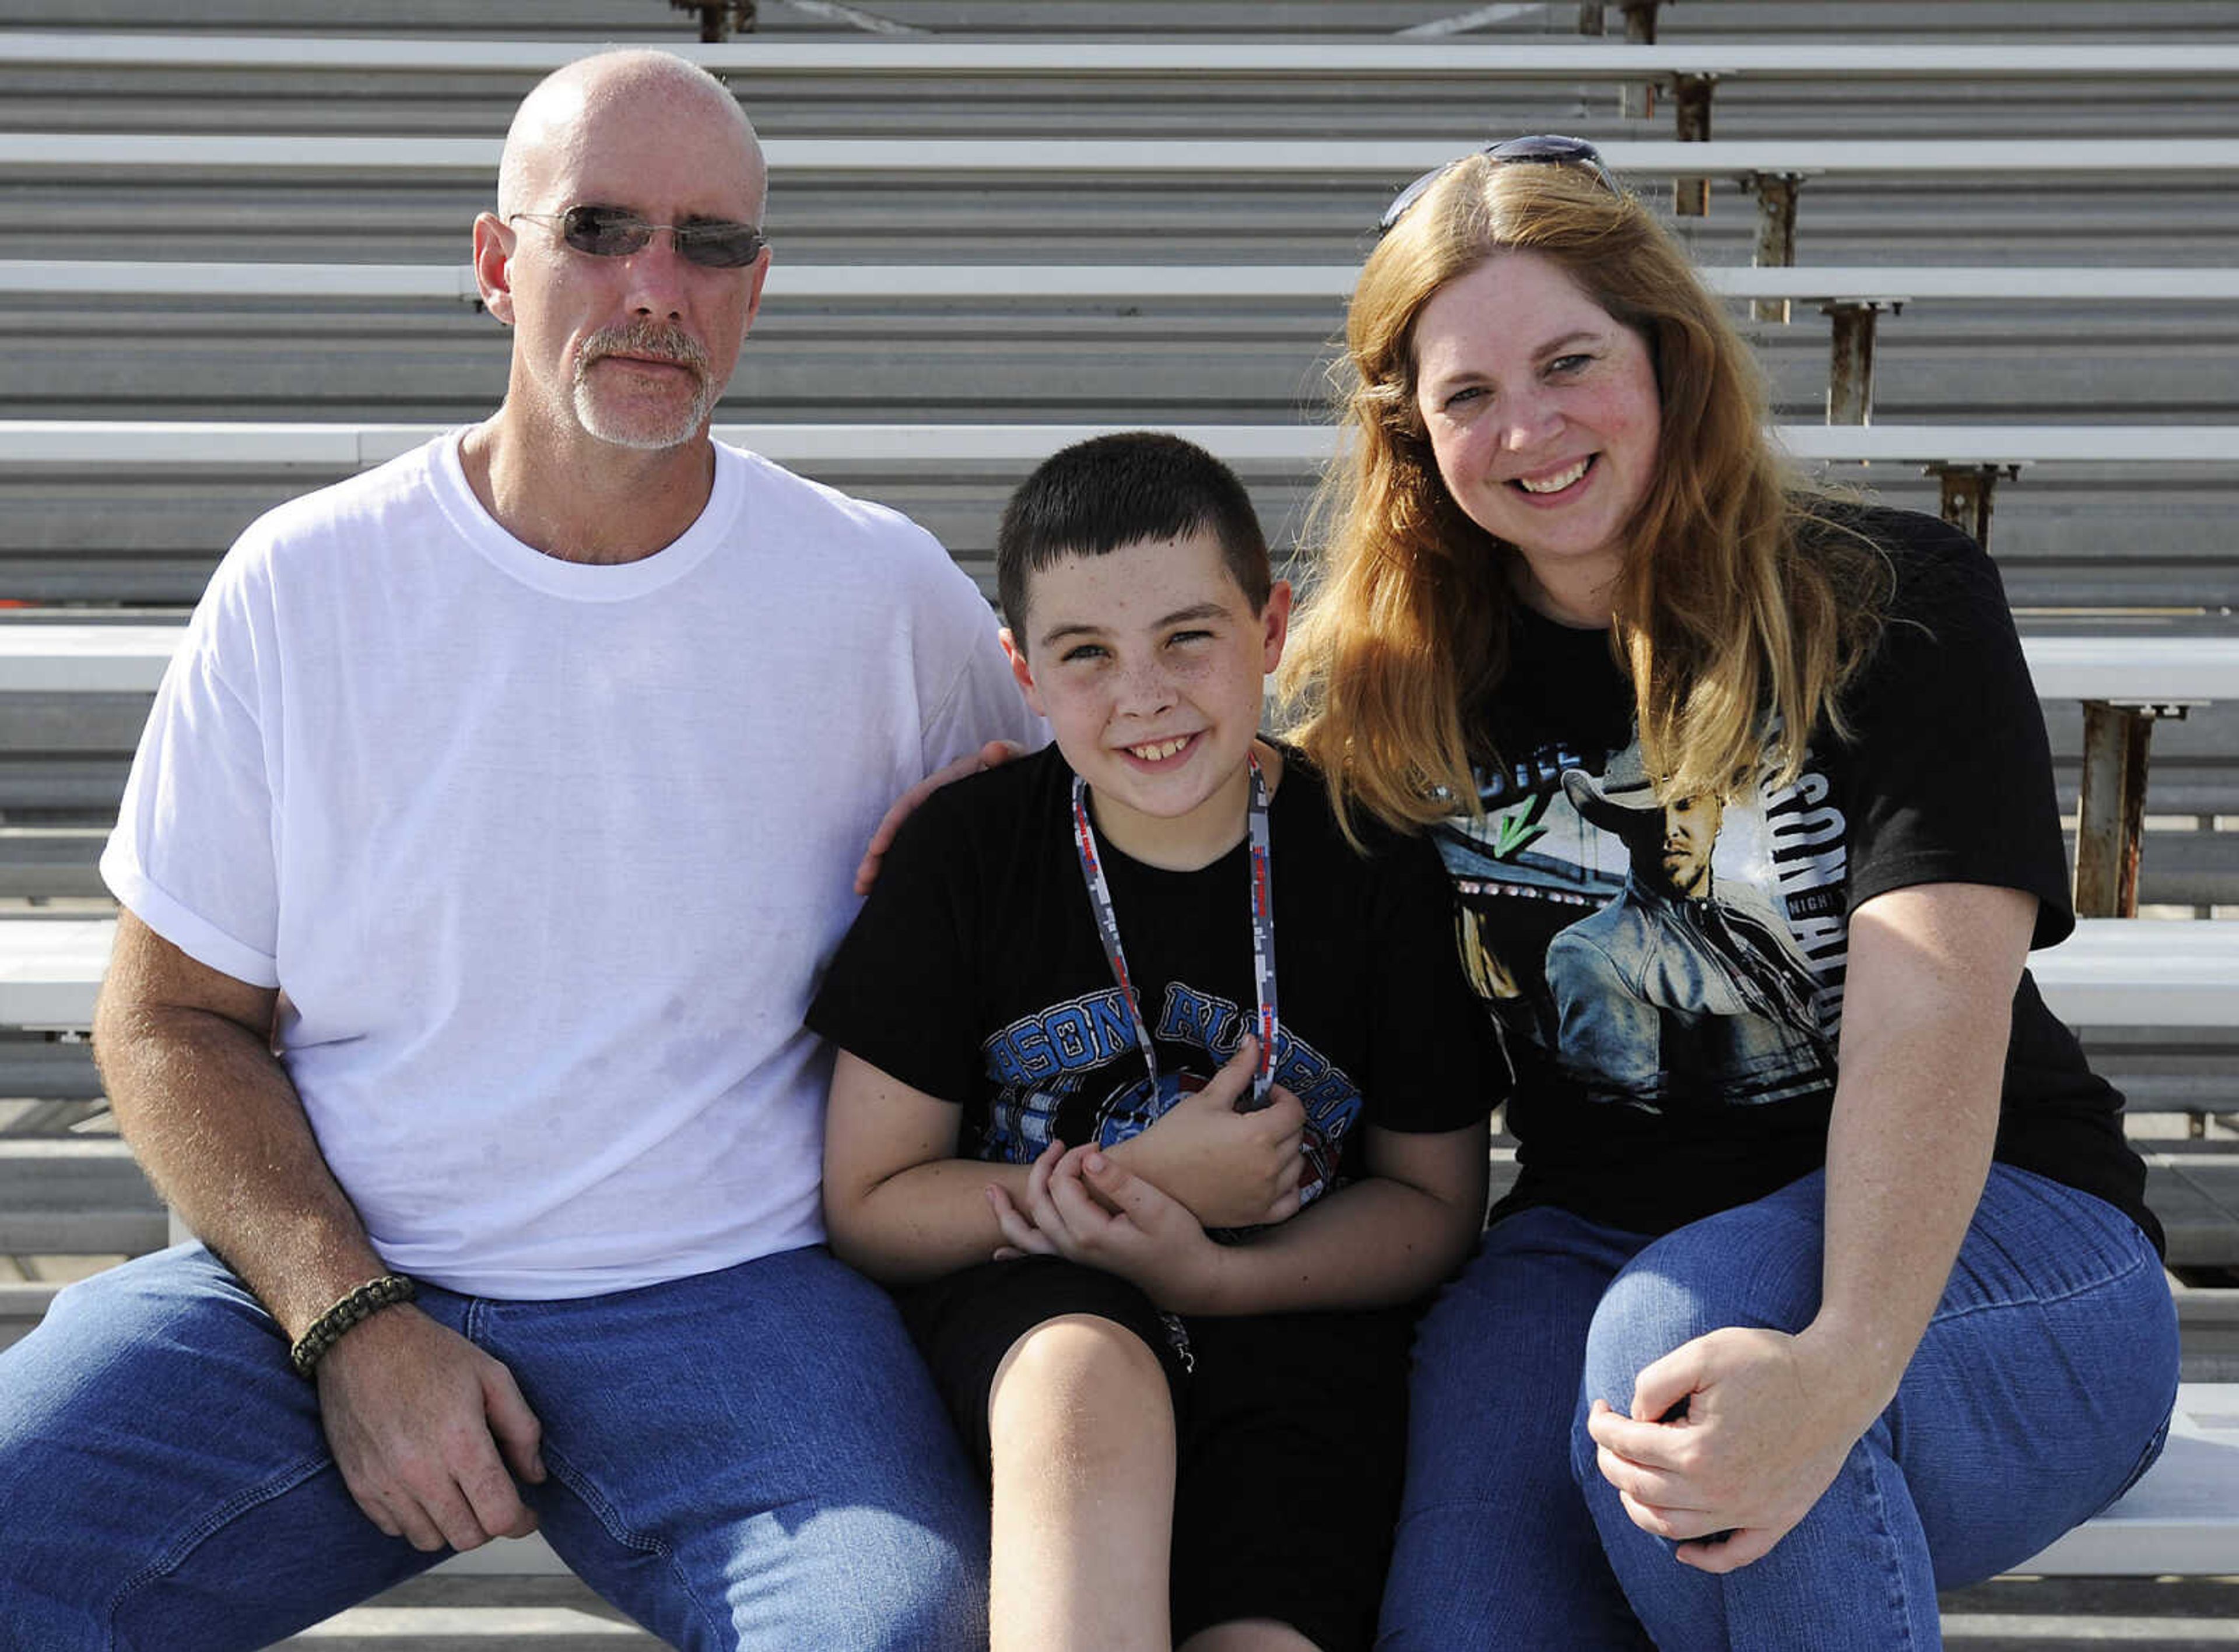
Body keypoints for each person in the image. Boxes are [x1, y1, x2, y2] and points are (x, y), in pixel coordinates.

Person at [0, 49, 1039, 1651]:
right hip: (340, 1269)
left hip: (736, 1298)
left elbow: (1123, 814)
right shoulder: (306, 582)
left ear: (758, 288)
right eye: (600, 228)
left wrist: (997, 825)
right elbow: (165, 1019)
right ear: (498, 263)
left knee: (896, 1627)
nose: (654, 285)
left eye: (710, 244)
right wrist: (349, 1317)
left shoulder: (880, 594)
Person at [1275, 136, 2180, 1649]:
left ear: (1670, 355)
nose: (1530, 428)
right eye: (1469, 396)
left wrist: (1842, 1360)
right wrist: (977, 813)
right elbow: (1178, 823)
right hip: (1589, 1236)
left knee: (1686, 1364)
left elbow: (1931, 1009)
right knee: (1468, 1610)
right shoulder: (1398, 695)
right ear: (1411, 433)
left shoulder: (1888, 599)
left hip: (1994, 1240)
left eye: (1572, 361)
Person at [808, 431, 1496, 1652]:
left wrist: (1218, 1274)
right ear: (1022, 668)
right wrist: (1139, 1182)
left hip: (1293, 1334)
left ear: (1273, 627)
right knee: (1085, 1376)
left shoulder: (1378, 866)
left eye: (1190, 636)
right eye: (1087, 654)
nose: (1145, 694)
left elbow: (1434, 1204)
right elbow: (872, 1199)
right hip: (1034, 1331)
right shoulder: (966, 855)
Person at [1545, 764, 1834, 1109]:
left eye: (1685, 804)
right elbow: (1620, 1118)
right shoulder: (1589, 950)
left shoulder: (1749, 905)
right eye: (1646, 814)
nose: (1669, 830)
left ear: (1719, 814)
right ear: (1623, 830)